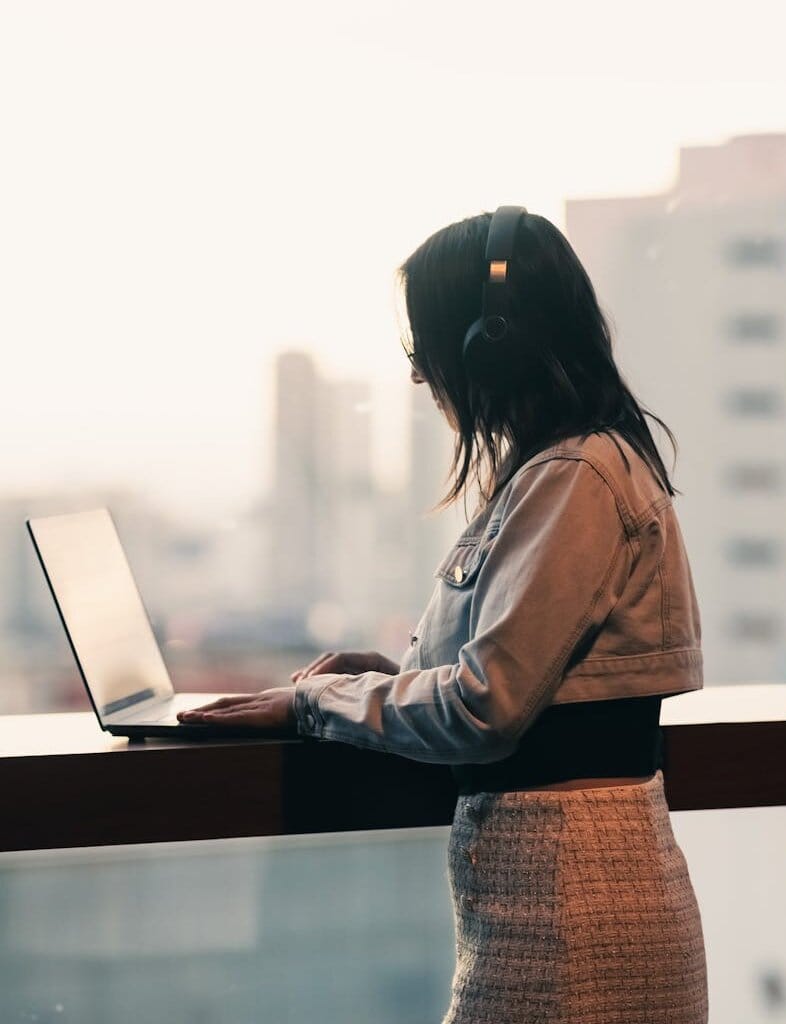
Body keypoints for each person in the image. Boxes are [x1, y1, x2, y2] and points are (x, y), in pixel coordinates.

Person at [178, 208, 709, 1023]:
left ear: (491, 340)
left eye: (424, 348)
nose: (423, 377)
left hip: (570, 901)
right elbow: (532, 682)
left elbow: (484, 710)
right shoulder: (559, 470)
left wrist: (317, 704)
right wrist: (395, 681)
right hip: (549, 887)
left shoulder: (576, 478)